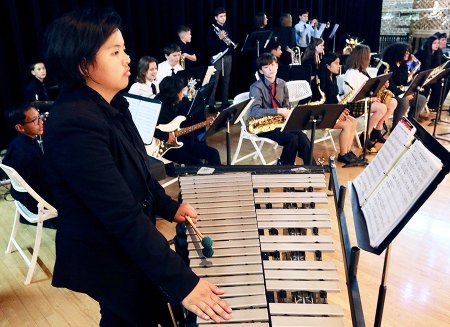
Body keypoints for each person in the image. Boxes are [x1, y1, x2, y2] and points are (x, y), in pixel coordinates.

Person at [42, 9, 231, 326]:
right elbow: (120, 215)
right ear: (83, 64)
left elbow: (138, 174)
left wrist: (169, 206)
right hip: (105, 255)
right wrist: (183, 283)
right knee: (133, 315)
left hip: (125, 246)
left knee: (135, 315)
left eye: (124, 50)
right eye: (115, 52)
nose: (126, 59)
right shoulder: (73, 124)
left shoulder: (115, 103)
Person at [247, 53, 312, 165]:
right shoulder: (256, 87)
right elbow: (254, 111)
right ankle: (285, 167)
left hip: (280, 123)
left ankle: (311, 167)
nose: (270, 69)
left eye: (272, 65)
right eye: (266, 67)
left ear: (277, 65)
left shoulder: (282, 83)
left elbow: (286, 105)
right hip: (263, 126)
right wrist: (278, 111)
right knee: (292, 139)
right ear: (261, 71)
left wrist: (288, 111)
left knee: (302, 136)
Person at [3, 103, 56, 228]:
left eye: (40, 117)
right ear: (20, 128)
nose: (41, 122)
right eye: (35, 120)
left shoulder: (15, 144)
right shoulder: (29, 153)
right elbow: (44, 185)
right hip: (35, 203)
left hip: (23, 198)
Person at [154, 75, 221, 166]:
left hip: (180, 141)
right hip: (164, 148)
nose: (183, 93)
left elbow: (186, 122)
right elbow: (148, 129)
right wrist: (165, 136)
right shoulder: (157, 107)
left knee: (214, 154)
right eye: (181, 91)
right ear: (175, 93)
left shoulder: (179, 103)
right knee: (197, 164)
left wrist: (205, 122)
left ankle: (216, 178)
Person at [344, 44, 394, 151]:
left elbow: (369, 88)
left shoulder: (363, 72)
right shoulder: (351, 73)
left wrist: (382, 85)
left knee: (392, 102)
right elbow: (351, 96)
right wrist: (370, 99)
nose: (370, 57)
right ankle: (366, 134)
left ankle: (377, 130)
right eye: (368, 55)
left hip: (366, 101)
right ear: (362, 57)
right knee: (382, 108)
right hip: (355, 104)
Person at [319, 53, 361, 165]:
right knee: (347, 125)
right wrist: (337, 113)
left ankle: (347, 152)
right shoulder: (321, 82)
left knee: (354, 121)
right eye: (336, 63)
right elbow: (324, 104)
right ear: (328, 66)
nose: (339, 66)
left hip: (333, 112)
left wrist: (342, 110)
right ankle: (342, 155)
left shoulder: (333, 78)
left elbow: (334, 100)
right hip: (323, 115)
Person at [380, 42, 427, 127]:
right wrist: (403, 95)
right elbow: (388, 85)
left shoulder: (403, 66)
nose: (407, 54)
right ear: (398, 53)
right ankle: (396, 127)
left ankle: (410, 124)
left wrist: (411, 89)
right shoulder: (386, 66)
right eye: (405, 52)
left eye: (408, 52)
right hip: (390, 94)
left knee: (421, 99)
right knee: (404, 102)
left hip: (401, 93)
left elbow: (404, 82)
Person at [207, 7, 233, 112]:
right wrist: (220, 38)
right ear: (216, 18)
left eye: (224, 16)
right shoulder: (212, 29)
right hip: (216, 57)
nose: (223, 18)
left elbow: (231, 42)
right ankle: (211, 104)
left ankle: (225, 102)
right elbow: (209, 44)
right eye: (221, 16)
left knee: (226, 80)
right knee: (214, 81)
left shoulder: (228, 27)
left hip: (227, 56)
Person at [302, 37, 325, 102]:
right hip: (311, 88)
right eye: (321, 45)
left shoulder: (317, 58)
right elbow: (309, 77)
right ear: (315, 46)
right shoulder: (310, 60)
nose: (323, 47)